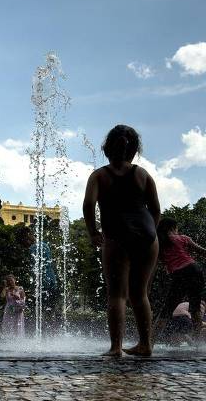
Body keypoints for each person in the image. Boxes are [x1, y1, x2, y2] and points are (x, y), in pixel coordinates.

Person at [83, 125, 160, 357]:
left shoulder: (99, 175)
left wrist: (93, 232)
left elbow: (88, 205)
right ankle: (145, 344)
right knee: (140, 293)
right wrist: (150, 233)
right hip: (147, 236)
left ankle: (116, 347)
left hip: (117, 236)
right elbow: (156, 209)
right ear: (134, 149)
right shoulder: (143, 174)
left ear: (107, 147)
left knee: (117, 294)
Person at [154, 217, 206, 342]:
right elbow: (202, 251)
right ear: (173, 228)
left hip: (179, 274)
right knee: (195, 308)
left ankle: (149, 342)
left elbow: (154, 265)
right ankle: (198, 344)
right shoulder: (183, 238)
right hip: (194, 270)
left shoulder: (158, 244)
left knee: (167, 309)